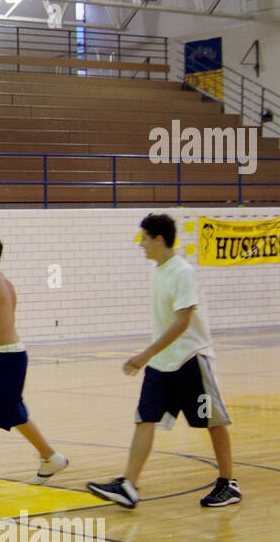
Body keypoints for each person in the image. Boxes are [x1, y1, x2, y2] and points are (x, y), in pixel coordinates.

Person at [86, 214, 240, 509]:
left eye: (144, 238)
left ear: (158, 239)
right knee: (144, 418)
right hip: (162, 363)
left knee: (212, 421)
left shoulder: (183, 272)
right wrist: (153, 357)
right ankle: (129, 485)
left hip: (190, 360)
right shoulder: (157, 271)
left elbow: (182, 322)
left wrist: (145, 355)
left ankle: (228, 483)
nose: (141, 244)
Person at [0, 236, 67, 498]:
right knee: (15, 413)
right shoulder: (6, 283)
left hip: (5, 358)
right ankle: (50, 458)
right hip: (16, 355)